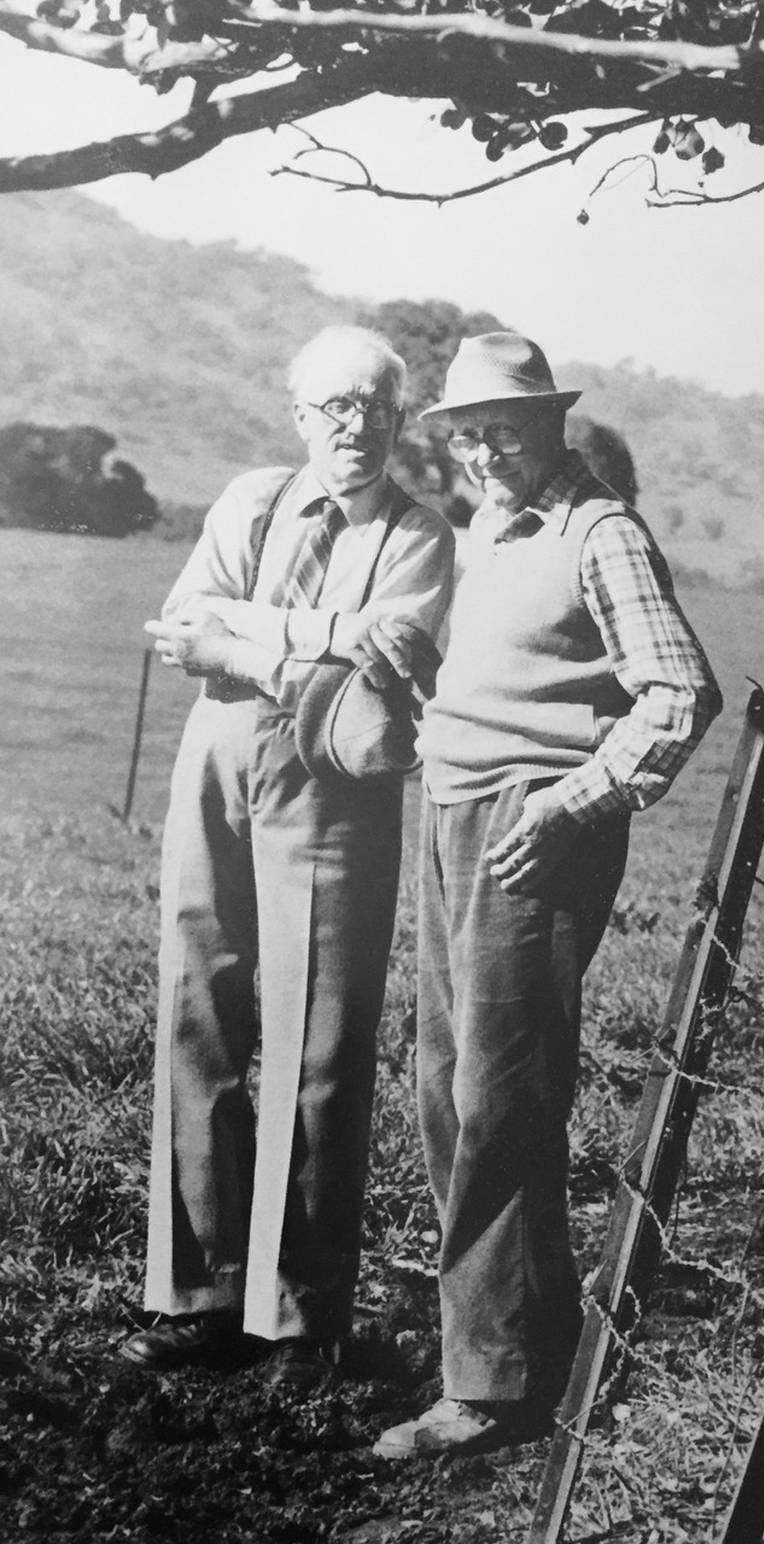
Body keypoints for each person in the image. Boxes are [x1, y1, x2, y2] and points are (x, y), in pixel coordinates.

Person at [373, 332, 722, 1459]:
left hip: (531, 834)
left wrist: (573, 802)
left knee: (499, 1095)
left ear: (551, 426)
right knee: (446, 1083)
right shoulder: (485, 524)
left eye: (503, 431)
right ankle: (523, 1335)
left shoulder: (599, 530)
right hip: (448, 812)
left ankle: (492, 1384)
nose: (482, 452)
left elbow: (678, 694)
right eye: (465, 434)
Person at [122, 325, 455, 1390]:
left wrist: (247, 642)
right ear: (300, 414)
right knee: (197, 1005)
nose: (353, 424)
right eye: (333, 406)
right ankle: (200, 1294)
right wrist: (305, 637)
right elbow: (185, 622)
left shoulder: (421, 535)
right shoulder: (251, 496)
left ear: (399, 421)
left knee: (320, 1040)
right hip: (215, 758)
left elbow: (384, 651)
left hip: (334, 776)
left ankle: (299, 1311)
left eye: (374, 406)